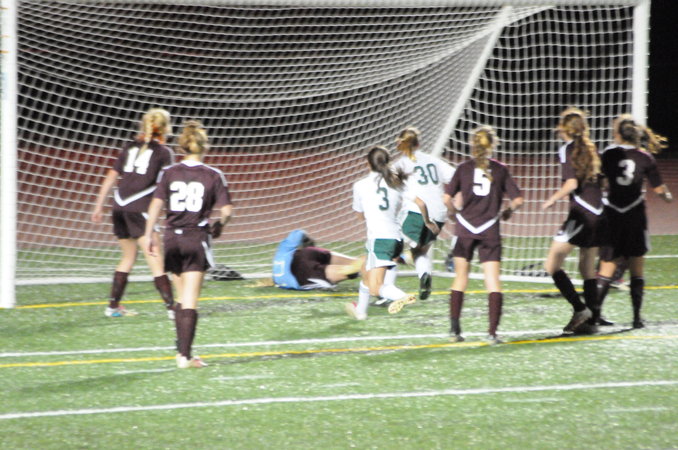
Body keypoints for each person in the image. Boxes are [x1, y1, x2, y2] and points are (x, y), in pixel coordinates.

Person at [144, 120, 233, 369]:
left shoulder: (169, 172)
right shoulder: (213, 175)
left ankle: (180, 348)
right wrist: (220, 224)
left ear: (182, 146)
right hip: (196, 238)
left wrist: (149, 233)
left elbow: (156, 204)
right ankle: (185, 356)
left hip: (172, 238)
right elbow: (227, 210)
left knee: (181, 298)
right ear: (205, 146)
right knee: (190, 300)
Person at [92, 107, 176, 318]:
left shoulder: (129, 147)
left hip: (119, 207)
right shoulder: (164, 152)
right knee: (155, 259)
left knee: (128, 257)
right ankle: (172, 310)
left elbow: (111, 176)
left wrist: (98, 205)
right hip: (140, 209)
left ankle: (112, 307)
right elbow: (167, 185)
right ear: (165, 128)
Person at [443, 125, 523, 344]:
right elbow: (518, 200)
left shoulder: (463, 168)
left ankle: (454, 331)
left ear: (472, 144)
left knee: (460, 277)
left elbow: (446, 198)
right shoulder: (500, 169)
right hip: (489, 229)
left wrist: (453, 213)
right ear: (492, 145)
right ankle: (492, 333)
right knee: (493, 281)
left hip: (465, 229)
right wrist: (507, 211)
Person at [596, 116, 673, 329]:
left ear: (618, 134)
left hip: (612, 214)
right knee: (637, 269)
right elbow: (659, 189)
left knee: (607, 267)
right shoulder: (646, 157)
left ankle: (594, 315)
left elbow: (600, 180)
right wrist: (667, 197)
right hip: (634, 216)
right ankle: (637, 318)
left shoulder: (608, 154)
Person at [346, 146, 439, 320]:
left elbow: (359, 215)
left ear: (368, 164)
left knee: (376, 288)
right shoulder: (395, 183)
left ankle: (401, 296)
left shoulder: (360, 185)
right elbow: (421, 203)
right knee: (366, 271)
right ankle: (361, 312)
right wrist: (427, 222)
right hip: (396, 240)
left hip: (379, 240)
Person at [541, 107, 607, 333]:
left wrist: (552, 199)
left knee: (551, 265)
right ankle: (593, 320)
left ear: (565, 129)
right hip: (599, 211)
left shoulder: (567, 149)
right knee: (587, 268)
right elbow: (603, 182)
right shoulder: (591, 148)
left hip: (582, 214)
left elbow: (571, 183)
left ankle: (580, 309)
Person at [392, 126, 455, 300]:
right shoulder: (433, 160)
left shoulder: (399, 165)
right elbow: (455, 177)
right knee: (420, 252)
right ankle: (424, 275)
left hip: (416, 212)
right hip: (439, 214)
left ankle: (386, 289)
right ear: (418, 144)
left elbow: (391, 190)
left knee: (391, 249)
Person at [271, 229, 364, 290]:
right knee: (357, 262)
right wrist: (309, 244)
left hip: (301, 275)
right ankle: (370, 263)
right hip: (307, 252)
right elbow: (298, 233)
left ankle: (362, 272)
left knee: (351, 271)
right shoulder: (282, 250)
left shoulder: (278, 280)